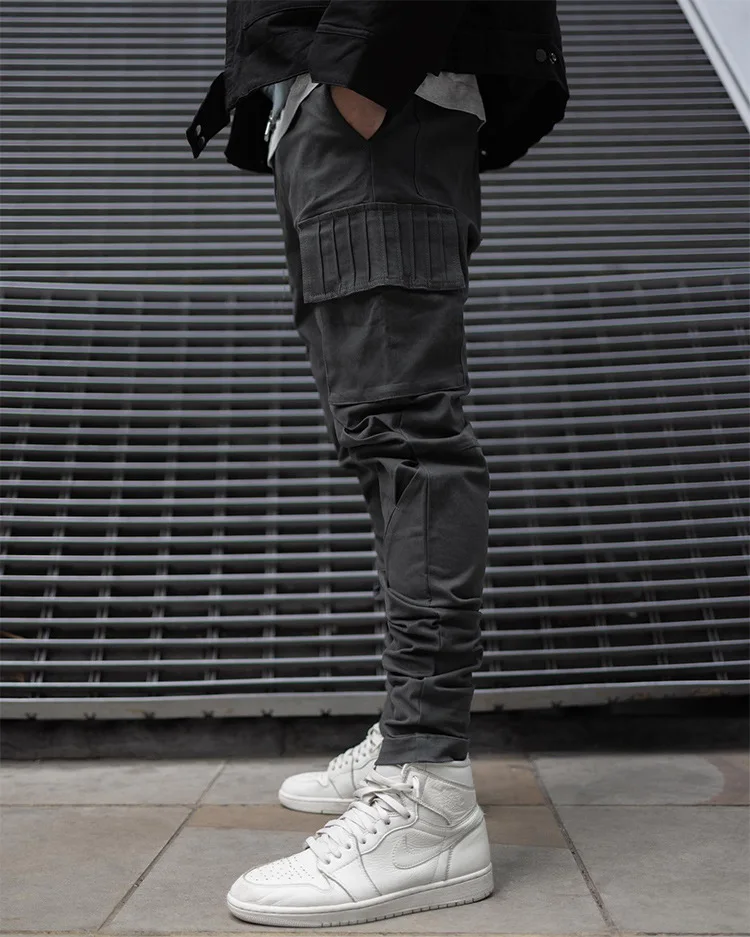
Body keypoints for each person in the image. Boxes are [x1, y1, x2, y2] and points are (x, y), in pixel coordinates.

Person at [186, 1, 569, 927]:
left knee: (408, 439)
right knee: (377, 439)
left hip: (376, 101)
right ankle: (409, 728)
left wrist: (365, 70)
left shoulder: (371, 87)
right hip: (325, 109)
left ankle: (427, 790)